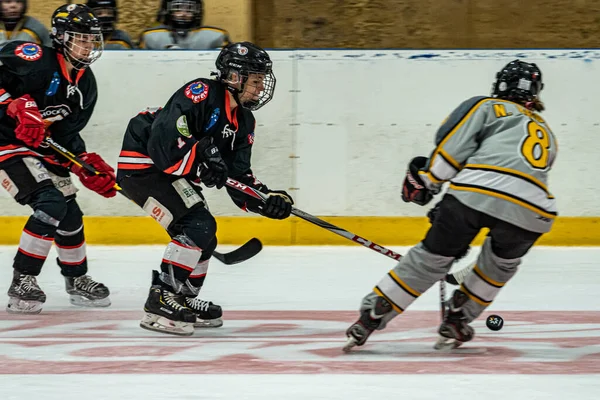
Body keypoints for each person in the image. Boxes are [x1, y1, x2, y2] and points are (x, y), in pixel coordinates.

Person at [344, 60, 557, 351]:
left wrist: (430, 183)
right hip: (532, 211)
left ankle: (376, 311)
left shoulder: (487, 106)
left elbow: (453, 145)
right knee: (498, 268)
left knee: (430, 259)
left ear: (499, 86)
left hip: (473, 195)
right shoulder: (546, 131)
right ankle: (459, 317)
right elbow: (522, 175)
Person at [116, 41, 293, 336]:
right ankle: (160, 298)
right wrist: (199, 159)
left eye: (262, 80)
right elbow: (163, 146)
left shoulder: (245, 121)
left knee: (204, 235)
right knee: (197, 224)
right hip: (143, 165)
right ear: (234, 77)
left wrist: (268, 200)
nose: (261, 87)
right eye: (255, 79)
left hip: (172, 172)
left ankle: (183, 297)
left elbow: (239, 177)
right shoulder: (200, 93)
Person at [0, 4, 116, 314]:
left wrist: (83, 161)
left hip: (38, 147)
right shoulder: (33, 59)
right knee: (50, 203)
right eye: (82, 38)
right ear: (61, 37)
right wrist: (11, 105)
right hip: (4, 144)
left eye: (92, 39)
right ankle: (22, 279)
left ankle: (76, 279)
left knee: (70, 214)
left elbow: (63, 136)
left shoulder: (85, 85)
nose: (89, 46)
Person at [138, 0, 229, 50]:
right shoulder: (151, 36)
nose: (183, 14)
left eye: (189, 9)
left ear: (197, 12)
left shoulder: (216, 35)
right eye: (177, 9)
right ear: (167, 11)